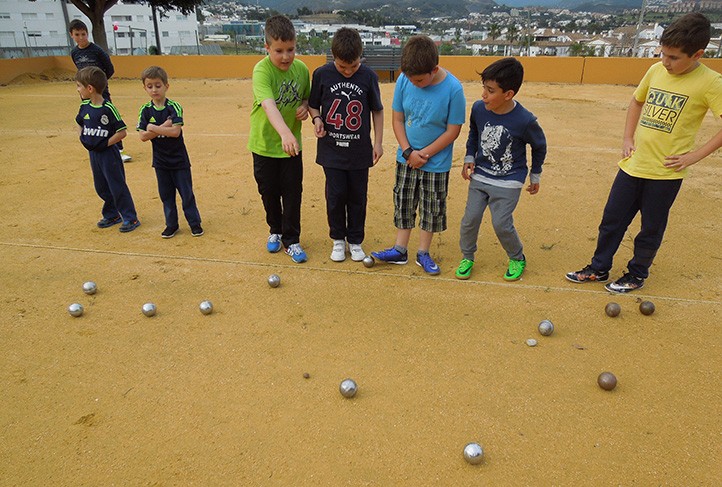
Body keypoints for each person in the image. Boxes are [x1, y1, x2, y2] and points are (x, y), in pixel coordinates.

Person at [566, 12, 722, 293]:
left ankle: (636, 274)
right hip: (632, 164)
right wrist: (627, 137)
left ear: (697, 54)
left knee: (650, 228)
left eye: (674, 58)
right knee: (612, 220)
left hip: (665, 172)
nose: (666, 62)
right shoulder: (655, 70)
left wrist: (693, 156)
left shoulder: (711, 82)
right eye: (664, 54)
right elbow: (637, 102)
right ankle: (599, 268)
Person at [371, 35, 466, 275]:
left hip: (436, 163)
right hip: (407, 158)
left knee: (431, 207)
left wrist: (423, 154)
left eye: (420, 80)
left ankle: (423, 252)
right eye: (410, 79)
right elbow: (398, 118)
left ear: (434, 70)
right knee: (403, 201)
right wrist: (407, 151)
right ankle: (400, 249)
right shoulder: (405, 80)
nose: (414, 83)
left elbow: (453, 130)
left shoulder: (454, 89)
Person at [455, 58, 547, 282]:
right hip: (481, 175)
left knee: (501, 223)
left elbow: (539, 146)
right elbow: (474, 132)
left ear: (508, 94)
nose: (484, 95)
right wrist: (469, 156)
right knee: (470, 220)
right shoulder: (479, 108)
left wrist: (535, 174)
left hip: (509, 180)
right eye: (483, 88)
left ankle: (517, 257)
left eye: (490, 90)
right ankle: (467, 256)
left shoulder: (525, 120)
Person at [308, 28, 384, 262]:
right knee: (336, 195)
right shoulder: (322, 74)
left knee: (358, 197)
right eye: (342, 67)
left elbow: (377, 111)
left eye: (353, 66)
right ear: (333, 57)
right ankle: (338, 239)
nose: (348, 71)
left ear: (361, 56)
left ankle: (356, 240)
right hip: (331, 152)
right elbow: (313, 105)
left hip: (360, 152)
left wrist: (378, 143)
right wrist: (317, 119)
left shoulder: (369, 76)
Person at [248, 15, 310, 263]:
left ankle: (292, 240)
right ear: (267, 48)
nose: (285, 57)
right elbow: (268, 104)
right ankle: (275, 229)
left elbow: (306, 98)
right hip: (264, 145)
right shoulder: (261, 70)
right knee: (269, 192)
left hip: (291, 148)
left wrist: (305, 107)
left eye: (291, 50)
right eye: (279, 51)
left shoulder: (302, 69)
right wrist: (285, 132)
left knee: (293, 193)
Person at [137, 65, 203, 239]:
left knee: (186, 194)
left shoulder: (174, 107)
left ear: (166, 86)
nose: (154, 90)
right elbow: (143, 136)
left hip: (179, 160)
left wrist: (153, 128)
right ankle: (171, 225)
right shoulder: (145, 110)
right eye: (149, 86)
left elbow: (175, 132)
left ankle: (195, 224)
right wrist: (162, 126)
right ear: (144, 88)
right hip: (160, 162)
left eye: (158, 85)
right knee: (166, 196)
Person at [75, 66, 140, 233]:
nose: (78, 90)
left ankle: (130, 217)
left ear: (90, 88)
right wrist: (83, 138)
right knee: (101, 186)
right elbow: (79, 122)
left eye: (79, 86)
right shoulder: (84, 107)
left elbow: (122, 132)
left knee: (117, 185)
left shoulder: (108, 108)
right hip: (93, 154)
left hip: (108, 154)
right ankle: (112, 214)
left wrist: (105, 144)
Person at [69, 19, 132, 163]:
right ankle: (94, 144)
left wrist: (99, 84)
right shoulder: (74, 53)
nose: (81, 37)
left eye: (83, 34)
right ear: (71, 35)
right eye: (77, 34)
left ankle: (118, 149)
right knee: (90, 118)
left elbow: (109, 68)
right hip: (86, 92)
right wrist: (84, 87)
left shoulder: (97, 50)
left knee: (108, 118)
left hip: (100, 91)